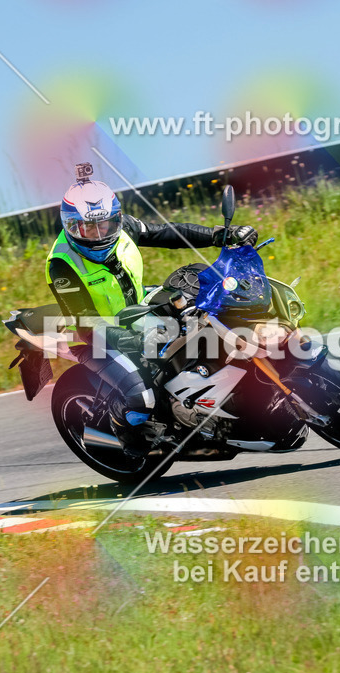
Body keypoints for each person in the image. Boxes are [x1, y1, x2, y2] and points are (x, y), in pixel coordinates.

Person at [47, 162, 257, 458]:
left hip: (137, 307)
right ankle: (127, 435)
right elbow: (84, 320)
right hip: (101, 334)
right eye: (87, 227)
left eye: (103, 224)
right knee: (140, 398)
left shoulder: (124, 228)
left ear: (116, 218)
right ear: (71, 226)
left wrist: (218, 235)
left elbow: (165, 233)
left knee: (211, 303)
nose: (97, 234)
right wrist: (137, 340)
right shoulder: (62, 264)